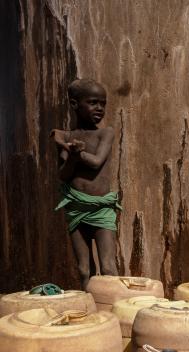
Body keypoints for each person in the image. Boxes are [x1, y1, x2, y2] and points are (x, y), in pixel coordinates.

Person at [52, 78, 120, 289]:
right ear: (74, 104)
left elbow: (96, 162)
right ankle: (92, 316)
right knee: (84, 269)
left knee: (108, 268)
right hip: (76, 209)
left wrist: (76, 152)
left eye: (102, 103)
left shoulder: (105, 133)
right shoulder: (68, 137)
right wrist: (70, 154)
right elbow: (63, 175)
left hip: (100, 210)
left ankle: (114, 312)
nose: (99, 108)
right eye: (92, 102)